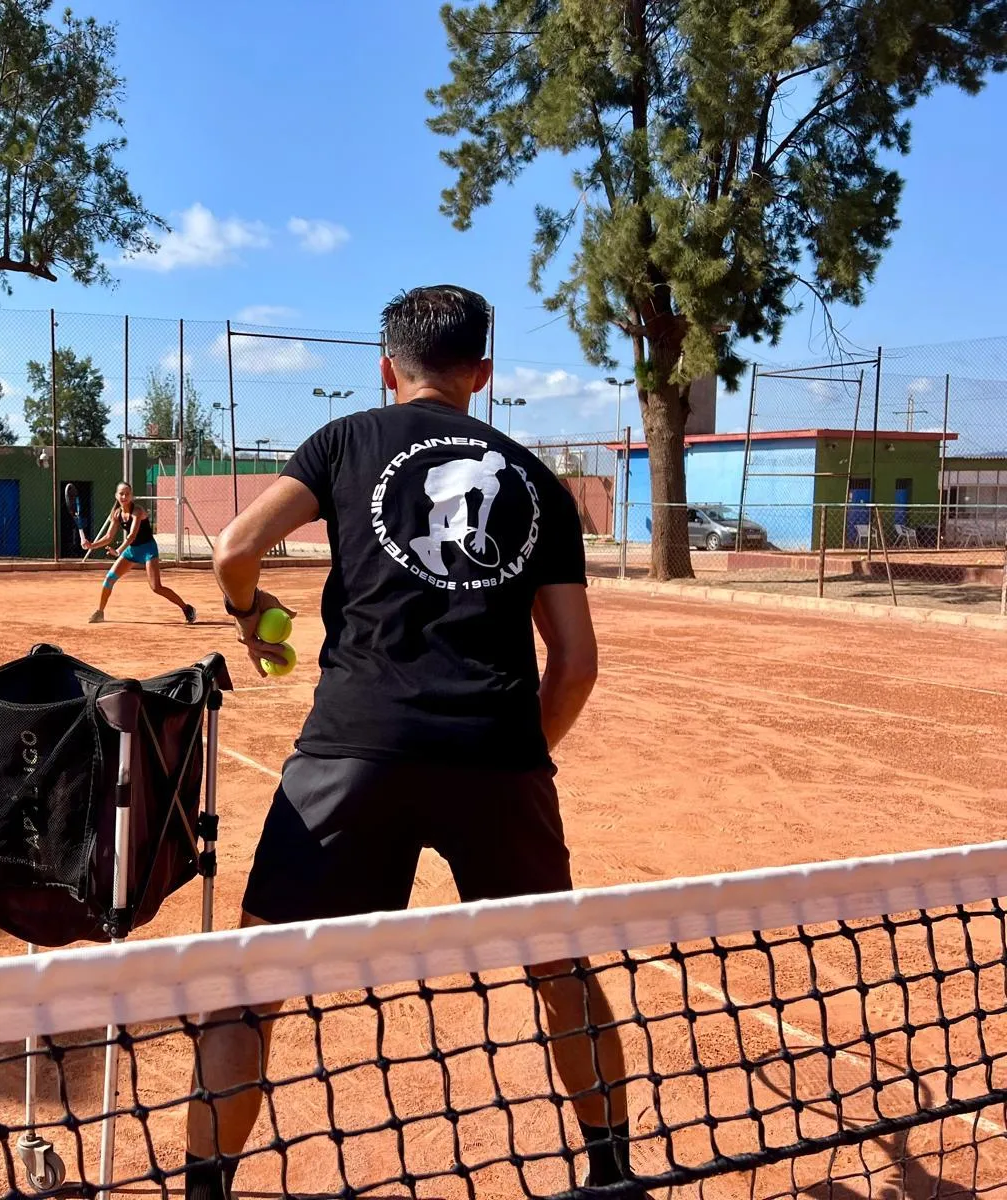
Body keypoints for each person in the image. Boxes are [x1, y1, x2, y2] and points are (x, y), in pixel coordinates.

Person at [184, 285, 639, 1199]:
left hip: (355, 746)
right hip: (498, 755)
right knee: (560, 969)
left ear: (386, 368)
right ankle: (612, 1175)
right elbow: (577, 665)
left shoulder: (344, 440)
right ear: (484, 375)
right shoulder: (537, 481)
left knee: (249, 988)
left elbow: (235, 548)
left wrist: (248, 612)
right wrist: (512, 750)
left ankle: (206, 1189)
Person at [82, 481, 197, 625]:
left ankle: (187, 608)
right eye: (121, 494)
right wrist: (91, 545)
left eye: (127, 494)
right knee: (109, 578)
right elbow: (108, 537)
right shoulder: (117, 514)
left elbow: (132, 535)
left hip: (148, 550)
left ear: (131, 496)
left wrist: (118, 551)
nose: (124, 496)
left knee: (156, 587)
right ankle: (100, 612)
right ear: (116, 496)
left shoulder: (138, 511)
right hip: (132, 551)